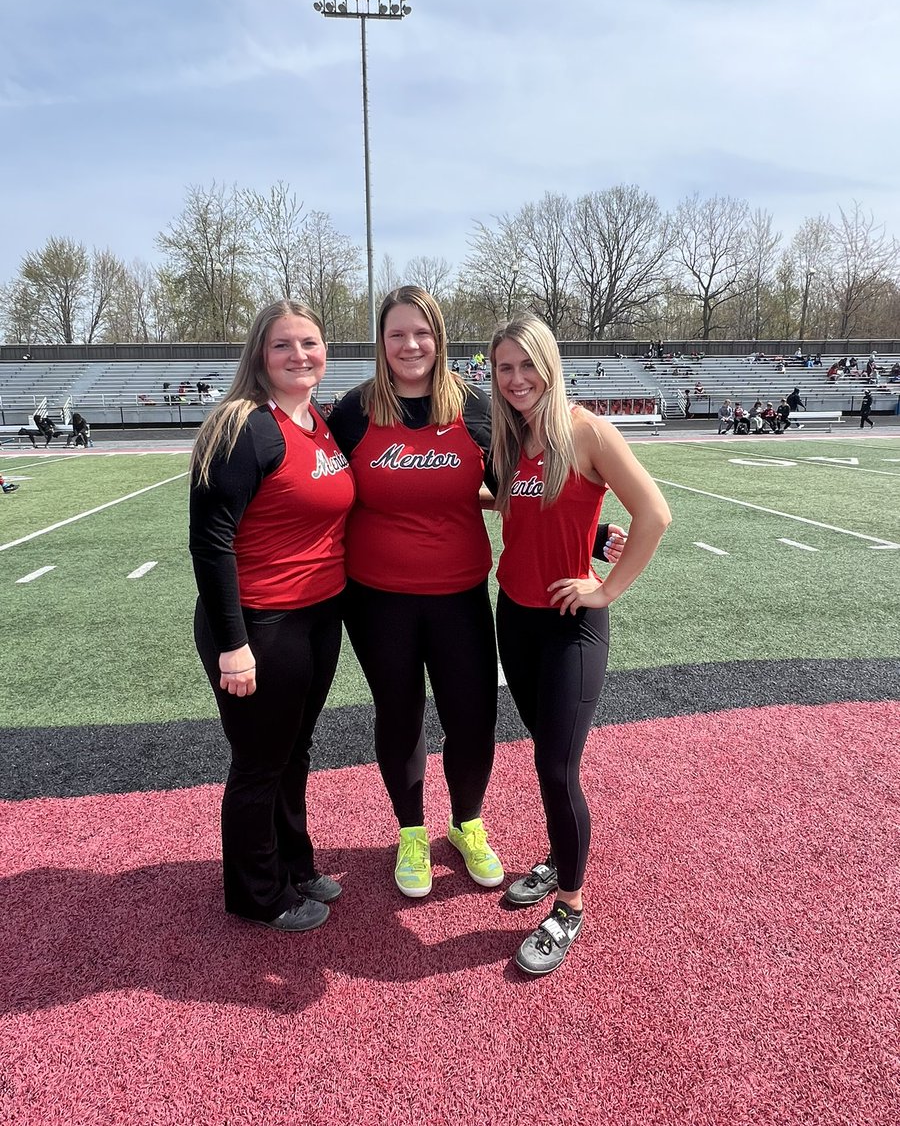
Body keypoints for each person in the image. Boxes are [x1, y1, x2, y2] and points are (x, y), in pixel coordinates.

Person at [489, 313, 670, 976]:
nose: (516, 379)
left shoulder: (587, 430)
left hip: (572, 625)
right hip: (515, 616)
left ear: (550, 364)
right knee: (545, 752)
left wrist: (606, 587)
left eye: (526, 365)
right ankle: (559, 856)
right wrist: (590, 534)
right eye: (504, 368)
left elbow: (654, 514)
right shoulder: (512, 436)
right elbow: (517, 502)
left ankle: (569, 903)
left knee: (557, 768)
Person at [328, 287, 505, 898]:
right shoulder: (352, 411)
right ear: (381, 341)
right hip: (377, 600)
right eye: (397, 333)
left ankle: (467, 823)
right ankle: (410, 831)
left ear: (440, 339)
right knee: (400, 715)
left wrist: (589, 532)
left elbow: (522, 485)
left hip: (460, 593)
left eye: (422, 333)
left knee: (473, 717)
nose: (410, 345)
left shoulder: (476, 407)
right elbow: (312, 487)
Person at [189, 299, 355, 933]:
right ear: (260, 354)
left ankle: (294, 861)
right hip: (261, 623)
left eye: (309, 343)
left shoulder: (320, 420)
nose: (299, 356)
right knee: (260, 760)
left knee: (295, 748)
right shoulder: (244, 427)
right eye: (283, 345)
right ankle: (258, 892)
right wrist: (234, 643)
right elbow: (211, 539)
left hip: (317, 615)